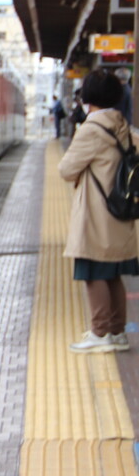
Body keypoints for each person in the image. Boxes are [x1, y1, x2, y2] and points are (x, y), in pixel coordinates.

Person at [58, 68, 139, 353]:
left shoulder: (91, 130)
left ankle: (100, 332)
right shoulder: (122, 126)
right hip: (119, 211)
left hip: (97, 215)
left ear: (88, 96)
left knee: (94, 272)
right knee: (113, 273)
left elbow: (66, 170)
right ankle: (117, 332)